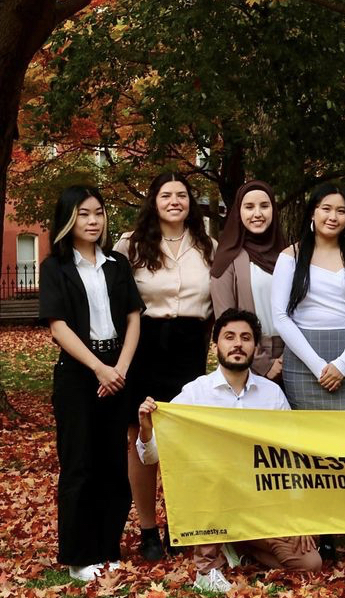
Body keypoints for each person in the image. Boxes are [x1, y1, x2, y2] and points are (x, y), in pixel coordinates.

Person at [136, 309, 321, 594]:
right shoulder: (195, 394)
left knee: (310, 562)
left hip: (260, 505)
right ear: (215, 346)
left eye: (246, 338)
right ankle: (206, 568)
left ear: (255, 348)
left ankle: (238, 548)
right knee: (212, 465)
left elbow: (290, 461)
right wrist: (147, 430)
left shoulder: (272, 395)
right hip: (214, 499)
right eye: (229, 337)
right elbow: (150, 456)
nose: (238, 344)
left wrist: (298, 519)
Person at [271, 182, 345, 563]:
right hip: (305, 360)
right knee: (314, 453)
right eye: (325, 209)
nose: (333, 216)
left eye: (341, 211)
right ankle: (324, 534)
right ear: (313, 213)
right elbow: (281, 317)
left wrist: (343, 363)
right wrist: (319, 365)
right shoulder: (291, 256)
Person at [38, 186, 144, 582]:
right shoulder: (55, 268)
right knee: (79, 464)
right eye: (84, 214)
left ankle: (107, 548)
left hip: (118, 371)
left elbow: (134, 318)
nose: (93, 221)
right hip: (78, 375)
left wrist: (119, 369)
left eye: (98, 213)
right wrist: (99, 368)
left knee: (113, 466)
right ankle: (79, 556)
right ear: (68, 219)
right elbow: (58, 326)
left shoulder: (117, 264)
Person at [114, 172, 217, 561]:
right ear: (153, 201)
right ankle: (148, 530)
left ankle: (181, 522)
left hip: (190, 348)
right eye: (166, 194)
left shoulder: (208, 245)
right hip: (146, 345)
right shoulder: (132, 245)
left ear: (191, 202)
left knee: (181, 442)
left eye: (182, 195)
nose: (175, 200)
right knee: (140, 441)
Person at [210, 180, 288, 379]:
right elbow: (225, 320)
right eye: (249, 207)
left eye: (264, 206)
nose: (257, 214)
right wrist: (263, 364)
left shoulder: (288, 255)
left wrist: (290, 357)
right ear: (238, 212)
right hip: (248, 357)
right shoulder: (228, 259)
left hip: (292, 357)